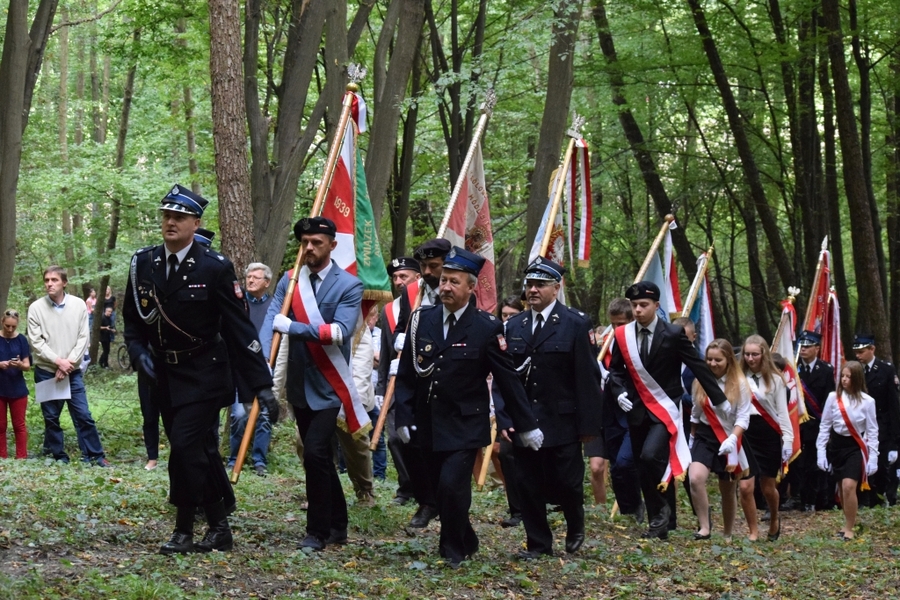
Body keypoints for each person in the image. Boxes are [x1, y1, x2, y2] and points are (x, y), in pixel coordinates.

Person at [124, 184, 276, 554]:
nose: (170, 222)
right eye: (166, 215)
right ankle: (220, 525)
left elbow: (240, 331)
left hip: (205, 372)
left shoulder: (215, 267)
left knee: (185, 446)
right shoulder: (144, 262)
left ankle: (183, 529)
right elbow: (133, 320)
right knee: (201, 449)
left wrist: (262, 385)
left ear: (196, 222)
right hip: (163, 374)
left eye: (178, 216)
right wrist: (137, 350)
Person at [393, 246, 543, 568]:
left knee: (451, 485)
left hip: (465, 424)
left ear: (471, 286)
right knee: (437, 489)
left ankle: (452, 549)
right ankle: (468, 538)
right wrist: (403, 415)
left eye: (454, 282)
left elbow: (508, 379)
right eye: (444, 280)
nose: (445, 287)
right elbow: (406, 375)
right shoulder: (422, 320)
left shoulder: (486, 327)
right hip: (428, 421)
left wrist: (526, 424)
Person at [260, 216, 364, 551]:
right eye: (305, 242)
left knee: (317, 453)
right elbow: (271, 321)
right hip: (299, 386)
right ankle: (338, 524)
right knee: (316, 458)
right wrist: (263, 356)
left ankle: (316, 531)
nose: (309, 248)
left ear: (332, 245)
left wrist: (292, 327)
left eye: (316, 243)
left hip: (330, 385)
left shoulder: (349, 285)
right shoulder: (290, 281)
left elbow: (339, 332)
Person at [607, 281, 727, 540]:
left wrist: (720, 399)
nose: (638, 310)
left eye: (643, 305)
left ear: (656, 306)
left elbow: (697, 365)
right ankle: (661, 521)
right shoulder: (622, 335)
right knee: (643, 464)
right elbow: (615, 371)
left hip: (665, 411)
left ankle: (662, 513)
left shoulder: (672, 334)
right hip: (636, 410)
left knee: (652, 457)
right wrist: (619, 394)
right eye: (634, 305)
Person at [503, 257, 602, 557]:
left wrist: (588, 426)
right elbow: (506, 378)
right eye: (529, 284)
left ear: (556, 288)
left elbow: (587, 377)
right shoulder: (514, 325)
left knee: (568, 483)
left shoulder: (575, 323)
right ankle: (538, 543)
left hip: (563, 420)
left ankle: (575, 524)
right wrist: (508, 417)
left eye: (539, 285)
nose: (532, 290)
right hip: (525, 418)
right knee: (527, 484)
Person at [377, 252, 439, 525]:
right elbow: (386, 348)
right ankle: (411, 489)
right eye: (395, 277)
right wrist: (381, 386)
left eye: (404, 276)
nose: (399, 281)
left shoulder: (437, 298)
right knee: (398, 438)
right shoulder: (393, 307)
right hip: (400, 381)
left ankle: (430, 493)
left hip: (430, 383)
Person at [27, 266, 109, 467]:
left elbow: (83, 337)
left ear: (64, 282)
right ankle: (58, 456)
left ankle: (95, 455)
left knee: (83, 415)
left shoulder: (79, 305)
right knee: (51, 417)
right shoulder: (36, 308)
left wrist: (68, 364)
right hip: (47, 372)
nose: (49, 284)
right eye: (46, 280)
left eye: (54, 280)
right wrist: (58, 361)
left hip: (72, 372)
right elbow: (36, 342)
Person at [688, 338, 751, 541]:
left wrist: (733, 439)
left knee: (727, 487)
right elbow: (696, 413)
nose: (713, 364)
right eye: (709, 359)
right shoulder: (700, 380)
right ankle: (705, 527)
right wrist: (691, 436)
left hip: (730, 436)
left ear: (729, 360)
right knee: (695, 478)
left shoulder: (740, 384)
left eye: (718, 360)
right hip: (706, 434)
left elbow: (743, 417)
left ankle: (727, 532)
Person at [816, 361, 879, 540]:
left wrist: (873, 456)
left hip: (854, 446)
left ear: (857, 379)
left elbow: (873, 430)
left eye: (849, 377)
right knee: (841, 488)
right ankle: (847, 522)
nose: (844, 380)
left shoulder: (868, 402)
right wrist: (821, 450)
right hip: (836, 445)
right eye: (842, 376)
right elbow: (825, 425)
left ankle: (850, 528)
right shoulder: (832, 398)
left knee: (849, 486)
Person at [738, 335, 791, 542]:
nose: (750, 358)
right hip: (746, 433)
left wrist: (788, 440)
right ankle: (752, 531)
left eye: (755, 354)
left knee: (768, 487)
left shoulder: (776, 380)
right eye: (747, 354)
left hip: (769, 434)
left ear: (764, 355)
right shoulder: (738, 377)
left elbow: (782, 413)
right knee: (745, 486)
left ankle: (774, 518)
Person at [227, 262, 275, 477]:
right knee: (238, 414)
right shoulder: (238, 304)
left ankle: (259, 460)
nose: (251, 280)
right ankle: (234, 458)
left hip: (265, 366)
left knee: (264, 415)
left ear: (267, 282)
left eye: (256, 277)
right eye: (248, 277)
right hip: (240, 367)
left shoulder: (276, 306)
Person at [599, 298, 644, 523]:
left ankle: (638, 505)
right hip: (609, 411)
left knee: (627, 462)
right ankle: (629, 510)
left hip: (633, 411)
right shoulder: (605, 343)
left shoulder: (638, 344)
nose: (617, 329)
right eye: (613, 324)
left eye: (621, 324)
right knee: (616, 465)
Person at [852, 334, 900, 507]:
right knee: (861, 464)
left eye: (862, 351)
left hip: (882, 425)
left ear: (872, 349)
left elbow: (893, 405)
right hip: (859, 425)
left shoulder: (886, 369)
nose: (858, 355)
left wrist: (895, 441)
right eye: (856, 352)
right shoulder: (855, 370)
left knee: (880, 466)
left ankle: (882, 497)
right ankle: (865, 499)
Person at [792, 330, 835, 511]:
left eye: (808, 346)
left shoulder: (825, 370)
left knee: (813, 464)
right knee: (796, 464)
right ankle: (796, 497)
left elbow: (828, 399)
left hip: (816, 425)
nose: (803, 350)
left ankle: (814, 499)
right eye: (801, 346)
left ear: (817, 348)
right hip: (797, 424)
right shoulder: (793, 369)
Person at [495, 294, 527, 527]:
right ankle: (517, 510)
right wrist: (504, 419)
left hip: (536, 406)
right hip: (510, 411)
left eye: (512, 316)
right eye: (503, 315)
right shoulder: (498, 339)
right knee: (507, 454)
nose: (506, 320)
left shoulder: (528, 333)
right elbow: (499, 382)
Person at [0, 309, 31, 459]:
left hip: (17, 389)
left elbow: (27, 365)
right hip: (0, 388)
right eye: (7, 326)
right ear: (2, 323)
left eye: (13, 326)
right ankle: (2, 456)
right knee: (0, 426)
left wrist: (18, 364)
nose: (10, 329)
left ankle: (21, 457)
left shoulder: (21, 340)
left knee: (19, 425)